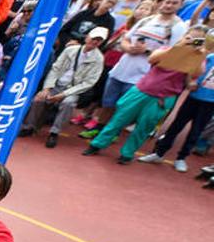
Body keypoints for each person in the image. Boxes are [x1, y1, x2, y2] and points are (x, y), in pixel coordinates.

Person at [84, 25, 208, 164]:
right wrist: (180, 47)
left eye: (198, 39)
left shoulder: (198, 58)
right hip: (142, 90)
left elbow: (198, 73)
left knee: (144, 127)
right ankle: (97, 144)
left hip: (163, 98)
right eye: (190, 37)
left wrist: (199, 53)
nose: (192, 41)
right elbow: (152, 59)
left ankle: (127, 153)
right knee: (119, 119)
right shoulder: (167, 49)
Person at [19, 27, 106, 148]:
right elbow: (56, 69)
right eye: (94, 38)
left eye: (99, 40)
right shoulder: (70, 50)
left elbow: (88, 83)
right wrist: (47, 88)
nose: (95, 41)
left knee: (68, 103)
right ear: (87, 37)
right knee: (38, 99)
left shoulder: (98, 59)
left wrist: (64, 94)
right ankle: (29, 127)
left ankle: (54, 132)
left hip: (72, 90)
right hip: (57, 84)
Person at [139, 37, 214, 172]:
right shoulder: (209, 57)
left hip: (210, 103)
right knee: (176, 125)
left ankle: (181, 158)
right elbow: (192, 70)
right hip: (194, 97)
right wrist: (190, 82)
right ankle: (159, 153)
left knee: (195, 131)